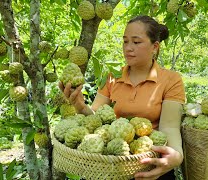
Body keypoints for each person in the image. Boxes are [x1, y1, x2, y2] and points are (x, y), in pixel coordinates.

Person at [59, 15, 185, 180]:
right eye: (125, 41)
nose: (128, 48)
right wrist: (80, 105)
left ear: (154, 47)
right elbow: (97, 120)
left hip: (147, 162)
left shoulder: (171, 79)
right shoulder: (112, 76)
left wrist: (176, 155)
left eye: (136, 42)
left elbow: (170, 127)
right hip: (111, 163)